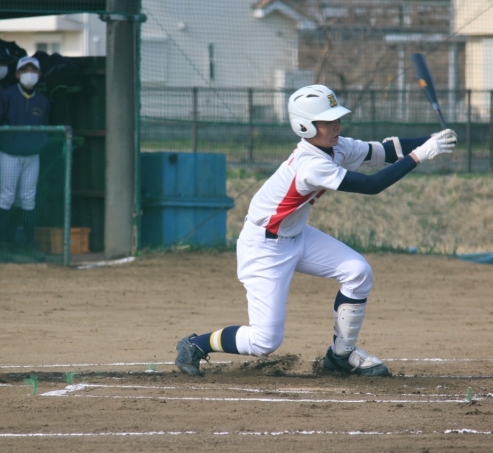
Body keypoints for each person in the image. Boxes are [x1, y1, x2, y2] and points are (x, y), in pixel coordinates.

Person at [174, 85, 457, 377]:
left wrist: (433, 139)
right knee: (264, 341)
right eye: (328, 121)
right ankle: (196, 344)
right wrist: (420, 156)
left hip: (297, 234)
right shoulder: (310, 164)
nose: (337, 125)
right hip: (264, 247)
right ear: (304, 126)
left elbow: (384, 151)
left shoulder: (337, 146)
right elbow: (372, 185)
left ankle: (341, 356)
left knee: (358, 272)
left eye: (337, 119)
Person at [0, 56, 49, 256]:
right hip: (9, 154)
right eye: (25, 70)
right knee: (6, 197)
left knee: (28, 198)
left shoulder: (42, 100)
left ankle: (27, 244)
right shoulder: (6, 95)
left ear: (39, 75)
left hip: (32, 155)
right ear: (17, 74)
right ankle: (2, 244)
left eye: (33, 70)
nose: (29, 74)